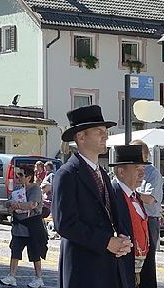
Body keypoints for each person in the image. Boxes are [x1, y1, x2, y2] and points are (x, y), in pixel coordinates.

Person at [51, 105, 135, 288]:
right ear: (81, 137)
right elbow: (65, 224)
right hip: (83, 269)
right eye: (99, 132)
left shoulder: (102, 174)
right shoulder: (67, 174)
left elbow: (110, 215)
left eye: (105, 131)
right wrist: (106, 242)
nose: (105, 136)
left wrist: (122, 240)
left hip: (106, 267)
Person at [109, 145, 156, 288]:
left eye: (143, 169)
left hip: (141, 273)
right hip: (121, 271)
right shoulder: (113, 196)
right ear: (121, 172)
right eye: (137, 169)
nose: (142, 174)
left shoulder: (135, 197)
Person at [2, 164, 48, 288]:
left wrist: (17, 205)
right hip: (18, 226)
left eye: (21, 175)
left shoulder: (35, 189)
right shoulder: (17, 189)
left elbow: (33, 204)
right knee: (15, 250)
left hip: (32, 226)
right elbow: (8, 202)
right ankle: (11, 276)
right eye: (17, 175)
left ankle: (38, 278)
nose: (18, 177)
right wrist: (10, 204)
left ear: (28, 177)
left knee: (35, 253)